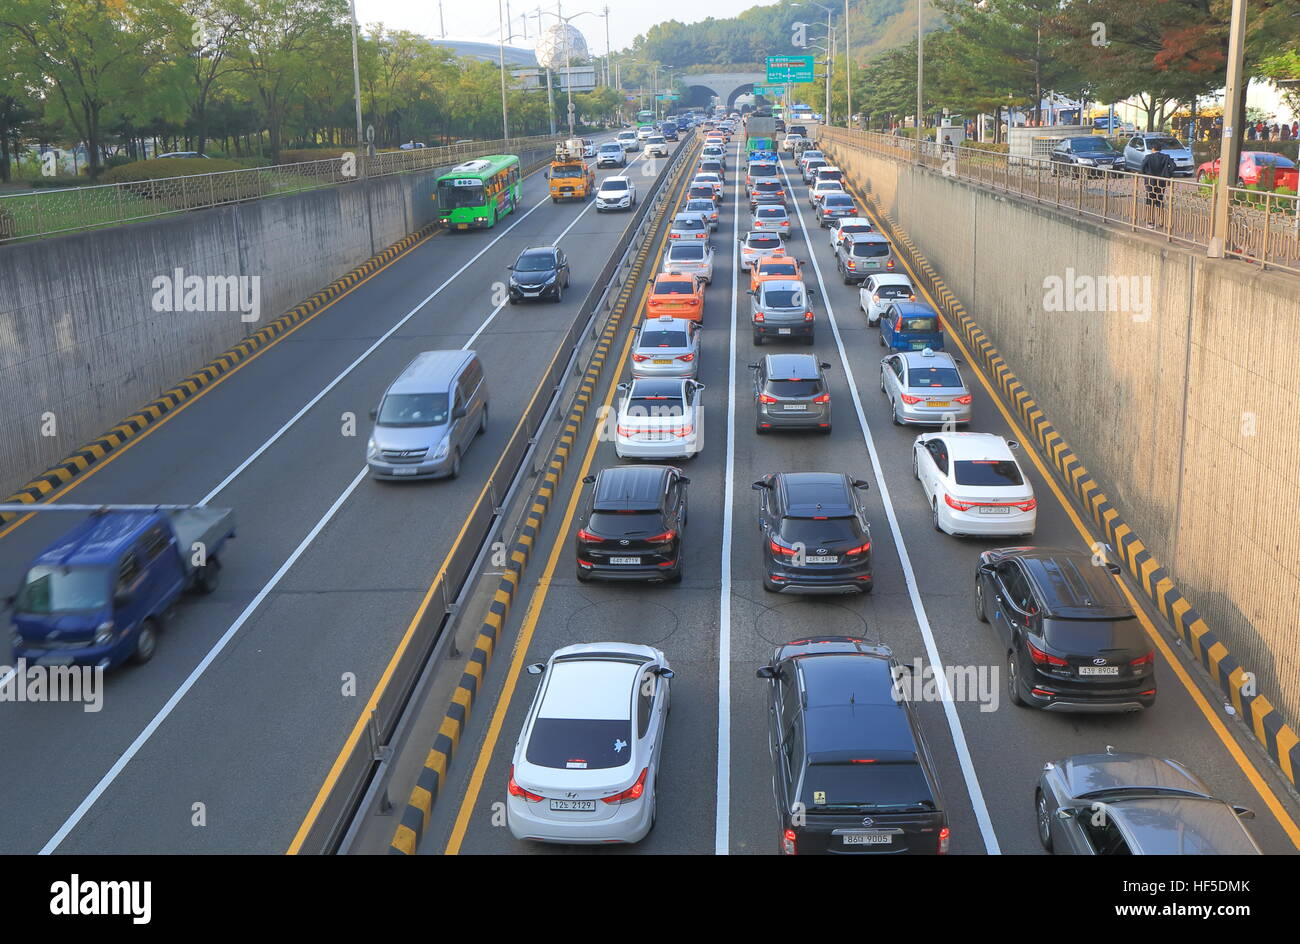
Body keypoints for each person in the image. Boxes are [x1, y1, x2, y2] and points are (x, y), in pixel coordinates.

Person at [1139, 139, 1177, 227]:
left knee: (1150, 201)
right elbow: (1173, 166)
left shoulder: (1148, 157)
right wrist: (1167, 174)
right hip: (1161, 182)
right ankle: (1161, 221)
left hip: (1150, 182)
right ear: (1160, 149)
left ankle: (1150, 222)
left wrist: (1146, 175)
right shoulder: (1166, 157)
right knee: (1160, 200)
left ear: (1152, 149)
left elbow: (1142, 167)